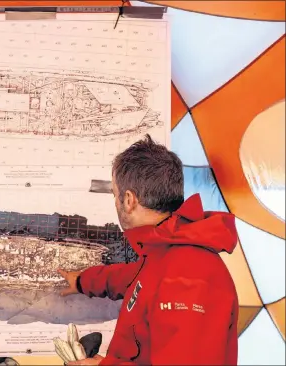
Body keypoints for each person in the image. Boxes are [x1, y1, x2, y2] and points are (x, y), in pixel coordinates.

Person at [58, 134, 239, 365]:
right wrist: (84, 281)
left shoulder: (188, 278)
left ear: (129, 200)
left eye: (115, 194)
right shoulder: (165, 252)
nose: (116, 201)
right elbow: (136, 279)